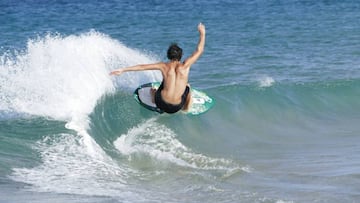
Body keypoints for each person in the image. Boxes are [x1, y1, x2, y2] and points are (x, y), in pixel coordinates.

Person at [110, 23, 206, 114]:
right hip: (176, 108)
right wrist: (202, 33)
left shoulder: (163, 66)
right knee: (187, 87)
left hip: (161, 103)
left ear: (168, 56)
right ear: (181, 56)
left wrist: (123, 70)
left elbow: (142, 67)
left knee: (160, 86)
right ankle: (186, 109)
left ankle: (153, 96)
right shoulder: (186, 65)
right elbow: (199, 50)